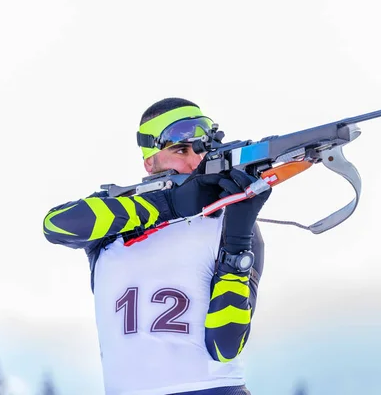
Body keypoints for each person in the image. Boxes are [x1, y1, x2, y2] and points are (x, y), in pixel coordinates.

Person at [43, 98, 271, 395]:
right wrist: (166, 205)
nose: (193, 161)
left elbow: (225, 346)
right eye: (180, 149)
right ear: (149, 161)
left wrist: (238, 239)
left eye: (201, 150)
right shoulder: (115, 223)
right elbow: (56, 225)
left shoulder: (228, 222)